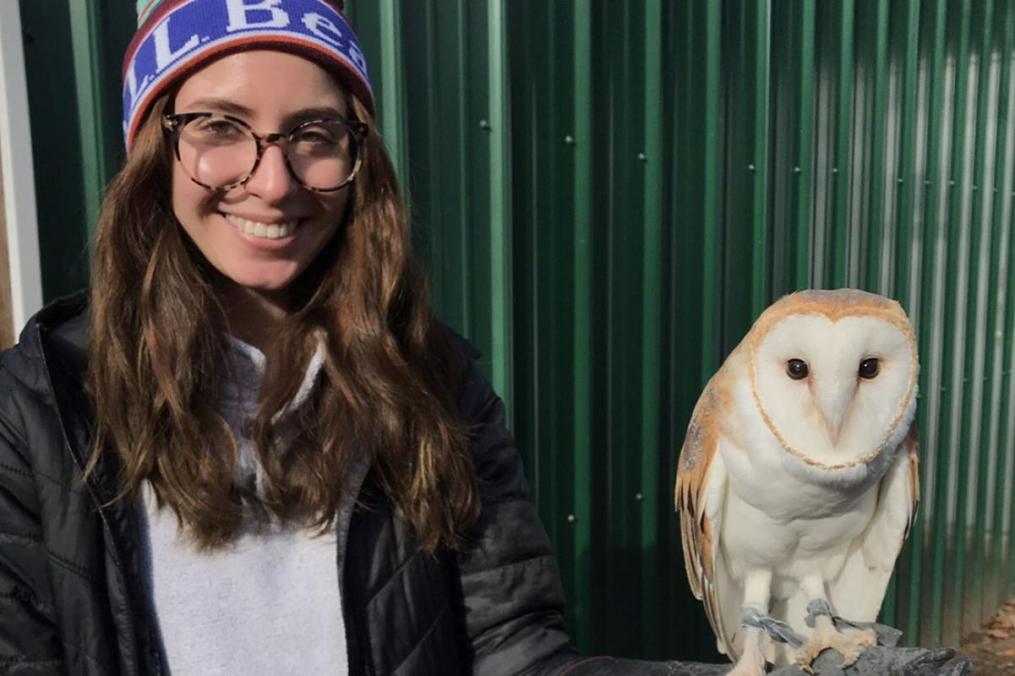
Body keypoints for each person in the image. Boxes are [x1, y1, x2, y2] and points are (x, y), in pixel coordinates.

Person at [0, 0, 608, 673]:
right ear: (154, 149)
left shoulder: (434, 382)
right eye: (218, 126)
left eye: (314, 133)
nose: (272, 183)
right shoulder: (33, 413)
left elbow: (514, 651)